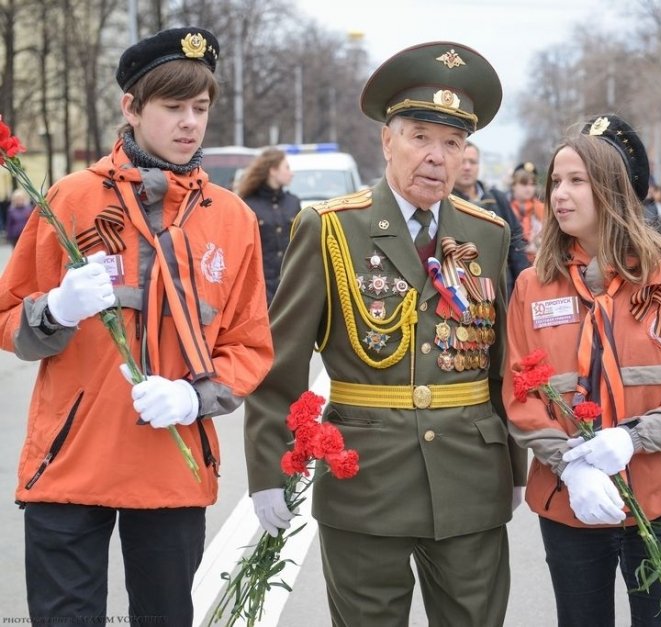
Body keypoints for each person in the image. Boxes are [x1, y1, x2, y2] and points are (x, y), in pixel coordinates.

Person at [244, 41, 528, 626]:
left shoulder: (490, 234)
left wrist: (515, 464)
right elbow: (283, 363)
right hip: (364, 477)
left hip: (470, 476)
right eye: (421, 136)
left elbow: (504, 363)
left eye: (453, 143)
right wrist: (270, 472)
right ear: (387, 141)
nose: (437, 156)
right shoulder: (329, 228)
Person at [0, 27, 273, 624]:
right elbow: (7, 320)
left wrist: (194, 396)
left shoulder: (231, 219)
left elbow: (250, 345)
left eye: (200, 108)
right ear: (131, 108)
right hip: (69, 464)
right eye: (173, 107)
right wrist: (56, 310)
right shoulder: (69, 200)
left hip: (171, 469)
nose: (189, 124)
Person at [503, 114, 661, 626]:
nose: (559, 194)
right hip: (571, 504)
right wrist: (573, 467)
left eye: (576, 180)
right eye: (555, 182)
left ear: (613, 190)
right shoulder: (532, 288)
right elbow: (520, 395)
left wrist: (634, 438)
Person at [454, 141, 530, 293]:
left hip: (503, 288)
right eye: (462, 161)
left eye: (473, 162)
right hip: (465, 290)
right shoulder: (445, 203)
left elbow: (516, 242)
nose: (467, 167)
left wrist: (525, 284)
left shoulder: (497, 199)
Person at [237, 147, 303, 305]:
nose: (291, 173)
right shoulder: (248, 205)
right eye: (286, 167)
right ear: (273, 170)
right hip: (260, 291)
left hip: (291, 287)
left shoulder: (293, 203)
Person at [509, 161, 545, 262]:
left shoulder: (543, 210)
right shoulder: (506, 210)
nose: (529, 188)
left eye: (532, 184)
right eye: (524, 183)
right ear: (513, 185)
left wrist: (538, 246)